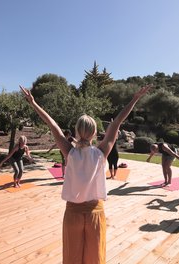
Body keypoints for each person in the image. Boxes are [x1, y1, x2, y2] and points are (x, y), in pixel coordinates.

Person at [20, 84, 150, 264]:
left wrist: (33, 103)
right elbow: (117, 122)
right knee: (95, 259)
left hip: (72, 213)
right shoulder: (101, 152)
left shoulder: (70, 152)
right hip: (95, 214)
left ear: (76, 132)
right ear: (95, 132)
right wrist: (135, 98)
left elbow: (52, 124)